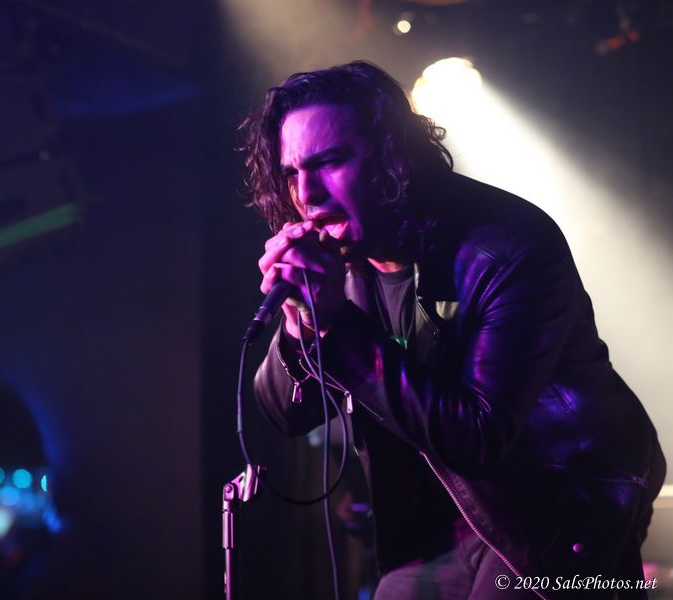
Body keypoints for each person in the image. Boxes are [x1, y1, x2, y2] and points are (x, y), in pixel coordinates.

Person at [242, 61, 665, 599]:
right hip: (438, 526)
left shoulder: (508, 246)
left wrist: (336, 324)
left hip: (561, 512)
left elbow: (475, 437)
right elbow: (286, 414)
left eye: (329, 162)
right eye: (291, 173)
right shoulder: (344, 263)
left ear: (390, 157)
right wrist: (302, 320)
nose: (307, 194)